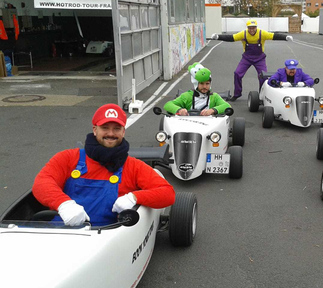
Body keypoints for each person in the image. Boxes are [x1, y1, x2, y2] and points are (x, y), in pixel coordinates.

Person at [32, 103, 176, 226]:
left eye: (116, 129)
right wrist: (63, 204)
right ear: (95, 130)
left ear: (123, 132)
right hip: (62, 231)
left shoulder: (133, 166)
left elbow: (167, 193)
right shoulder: (68, 158)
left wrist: (133, 197)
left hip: (107, 239)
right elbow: (42, 183)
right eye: (105, 128)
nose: (111, 133)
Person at [211, 19, 293, 101]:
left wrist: (285, 37)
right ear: (247, 28)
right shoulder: (243, 34)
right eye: (250, 28)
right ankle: (237, 94)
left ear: (256, 27)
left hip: (259, 59)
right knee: (237, 73)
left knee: (263, 77)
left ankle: (262, 96)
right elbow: (232, 38)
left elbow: (274, 36)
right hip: (247, 58)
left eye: (253, 28)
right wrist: (218, 37)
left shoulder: (262, 33)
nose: (252, 30)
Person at [164, 63, 231, 116]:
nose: (205, 86)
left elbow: (227, 106)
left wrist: (212, 110)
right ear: (196, 84)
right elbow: (167, 105)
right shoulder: (187, 96)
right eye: (202, 84)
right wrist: (179, 110)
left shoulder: (214, 96)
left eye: (207, 84)